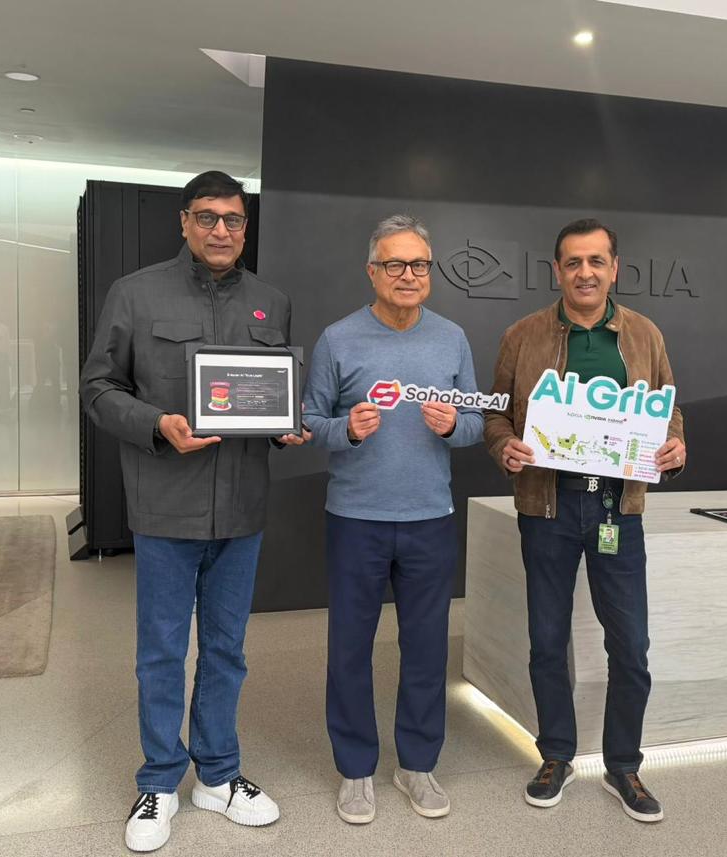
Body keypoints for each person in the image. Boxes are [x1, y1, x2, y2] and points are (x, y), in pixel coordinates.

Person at [80, 170, 306, 852]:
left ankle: (218, 773)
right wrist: (157, 424)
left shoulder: (270, 302)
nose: (220, 230)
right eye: (207, 217)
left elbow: (270, 398)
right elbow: (98, 387)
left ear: (246, 227)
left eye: (233, 219)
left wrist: (284, 425)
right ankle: (158, 780)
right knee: (161, 651)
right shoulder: (136, 293)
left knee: (227, 649)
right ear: (184, 221)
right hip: (165, 507)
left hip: (241, 509)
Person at [482, 218, 686, 823]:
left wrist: (675, 447)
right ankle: (556, 755)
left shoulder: (644, 334)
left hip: (616, 509)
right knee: (547, 641)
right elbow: (496, 415)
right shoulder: (523, 335)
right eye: (573, 262)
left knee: (631, 646)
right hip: (546, 508)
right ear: (557, 271)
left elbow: (669, 410)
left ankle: (624, 765)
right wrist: (503, 445)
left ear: (615, 268)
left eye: (597, 261)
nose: (585, 272)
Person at [303, 215, 483, 825]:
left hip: (430, 517)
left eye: (419, 265)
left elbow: (476, 421)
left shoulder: (452, 338)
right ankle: (355, 770)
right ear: (372, 271)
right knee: (349, 648)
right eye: (395, 264)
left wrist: (455, 426)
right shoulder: (338, 339)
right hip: (356, 518)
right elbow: (310, 421)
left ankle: (417, 765)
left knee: (427, 648)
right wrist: (346, 430)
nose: (409, 275)